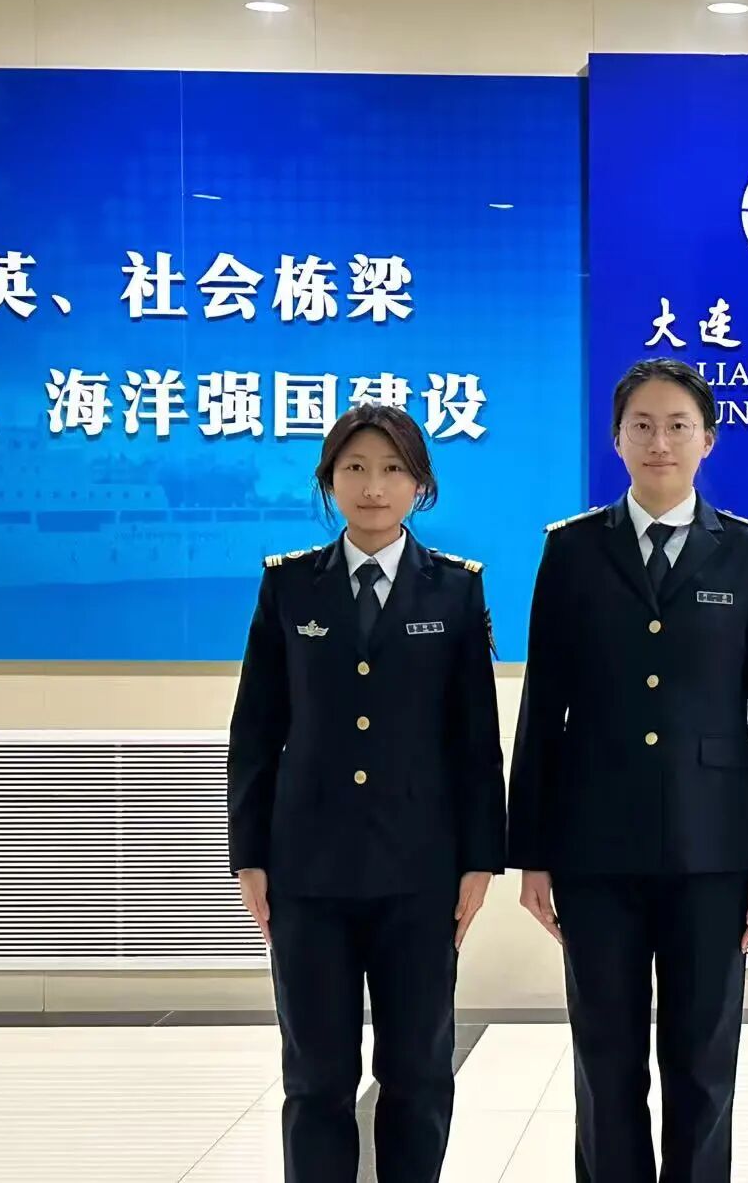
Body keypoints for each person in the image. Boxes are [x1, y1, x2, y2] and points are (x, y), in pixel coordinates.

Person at [509, 357, 748, 1183]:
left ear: (708, 440)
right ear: (617, 438)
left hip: (714, 850)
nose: (660, 442)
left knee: (703, 1064)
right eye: (642, 425)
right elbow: (544, 706)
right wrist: (531, 852)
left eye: (678, 425)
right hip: (593, 848)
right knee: (605, 1062)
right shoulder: (572, 551)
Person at [227, 402, 506, 1183]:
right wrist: (250, 855)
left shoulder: (454, 590)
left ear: (420, 485)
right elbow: (256, 730)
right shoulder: (290, 587)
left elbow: (475, 741)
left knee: (417, 1071)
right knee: (316, 1076)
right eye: (354, 469)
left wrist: (480, 860)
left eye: (392, 470)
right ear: (330, 482)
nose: (373, 487)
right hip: (308, 871)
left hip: (421, 872)